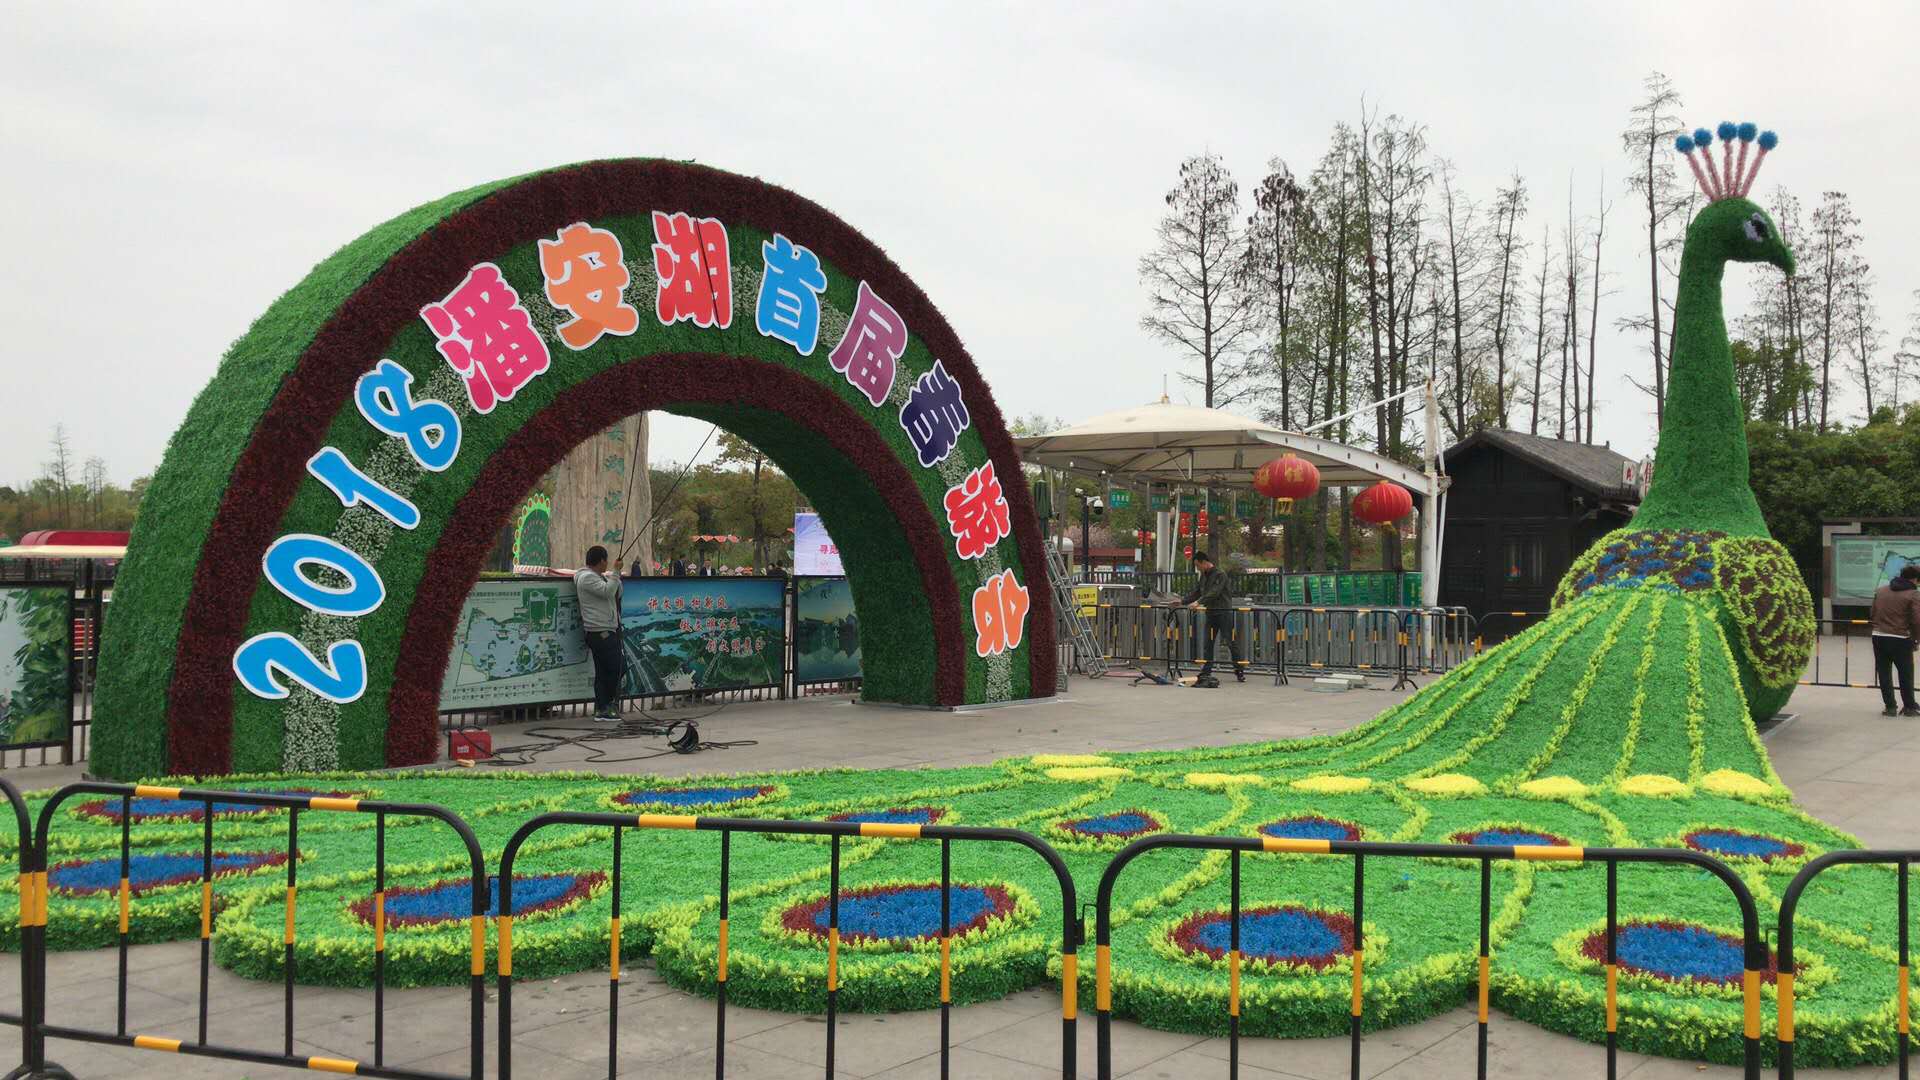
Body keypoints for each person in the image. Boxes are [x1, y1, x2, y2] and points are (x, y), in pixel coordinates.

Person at [574, 545, 625, 721]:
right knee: (617, 668)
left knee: (604, 671)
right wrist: (616, 572)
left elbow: (616, 592)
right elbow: (607, 592)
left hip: (604, 630)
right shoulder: (587, 578)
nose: (608, 564)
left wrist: (615, 576)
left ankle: (602, 708)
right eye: (606, 561)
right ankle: (606, 706)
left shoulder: (598, 577)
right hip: (600, 632)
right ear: (602, 561)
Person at [1180, 552, 1243, 684]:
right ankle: (1206, 671)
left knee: (1230, 641)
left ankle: (1239, 669)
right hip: (1211, 613)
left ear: (1204, 562)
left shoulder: (1220, 574)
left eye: (1198, 566)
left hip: (1223, 613)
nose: (1197, 569)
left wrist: (1198, 602)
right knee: (1208, 643)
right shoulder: (1203, 576)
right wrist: (1182, 601)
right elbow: (1197, 592)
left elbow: (1214, 592)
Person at [1869, 564, 1920, 717]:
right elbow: (1917, 620)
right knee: (1905, 673)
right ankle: (1909, 707)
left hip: (1878, 636)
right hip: (1900, 638)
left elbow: (1872, 612)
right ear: (1914, 579)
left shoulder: (1881, 591)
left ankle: (1890, 707)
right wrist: (1916, 639)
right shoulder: (1913, 594)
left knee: (1884, 672)